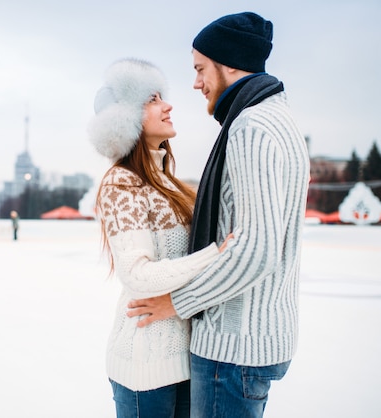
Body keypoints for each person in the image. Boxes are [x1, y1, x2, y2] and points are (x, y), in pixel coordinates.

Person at [126, 12, 311, 418]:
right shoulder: (278, 119)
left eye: (199, 69)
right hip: (252, 340)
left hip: (233, 346)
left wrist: (177, 302)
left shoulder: (252, 127)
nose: (195, 83)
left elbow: (255, 250)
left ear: (229, 63)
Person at [88, 58, 231, 418]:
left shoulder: (170, 183)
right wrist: (215, 255)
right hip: (144, 366)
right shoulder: (122, 184)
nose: (167, 105)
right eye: (153, 99)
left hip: (184, 359)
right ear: (127, 120)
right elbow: (137, 276)